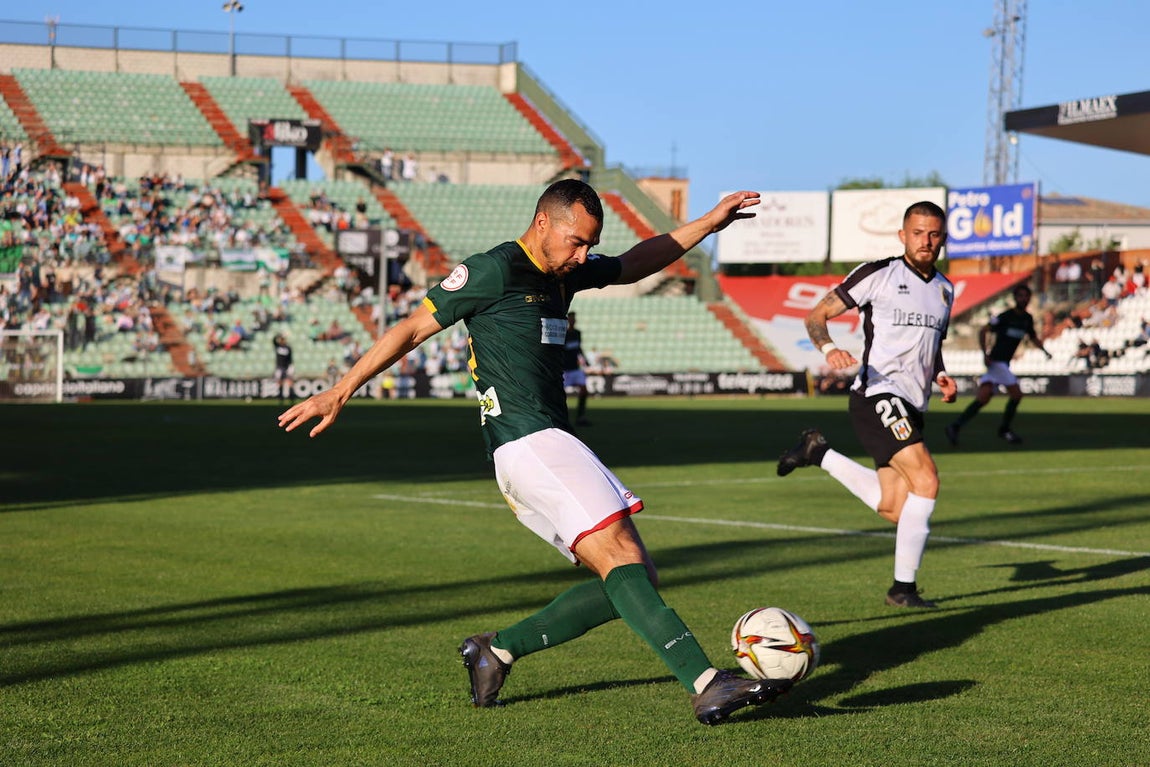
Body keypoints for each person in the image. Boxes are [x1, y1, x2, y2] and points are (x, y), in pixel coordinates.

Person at [277, 179, 790, 725]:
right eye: (575, 241)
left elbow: (636, 263)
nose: (583, 255)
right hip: (529, 440)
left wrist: (710, 221)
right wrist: (342, 388)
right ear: (542, 222)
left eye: (590, 245)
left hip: (538, 446)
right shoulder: (495, 269)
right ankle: (707, 683)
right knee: (622, 559)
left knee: (634, 576)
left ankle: (495, 651)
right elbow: (411, 328)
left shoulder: (562, 273)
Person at [776, 200, 957, 609]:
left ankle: (817, 452)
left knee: (897, 507)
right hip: (878, 393)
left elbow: (933, 346)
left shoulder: (946, 289)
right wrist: (828, 348)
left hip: (913, 403)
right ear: (902, 235)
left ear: (942, 239)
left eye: (933, 234)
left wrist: (940, 374)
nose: (925, 241)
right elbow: (817, 314)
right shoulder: (880, 274)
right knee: (926, 480)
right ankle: (903, 590)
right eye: (917, 233)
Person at [945, 284, 1052, 446]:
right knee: (1016, 395)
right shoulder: (1005, 316)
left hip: (1003, 364)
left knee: (983, 398)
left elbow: (1033, 337)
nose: (1024, 299)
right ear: (1015, 298)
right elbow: (983, 330)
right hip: (996, 362)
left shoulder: (1027, 319)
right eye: (1020, 296)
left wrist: (1044, 350)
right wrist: (985, 353)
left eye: (1026, 296)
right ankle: (1005, 429)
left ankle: (955, 426)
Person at [562, 311, 591, 427]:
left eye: (573, 319)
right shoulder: (563, 334)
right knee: (561, 395)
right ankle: (563, 418)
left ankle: (581, 417)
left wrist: (585, 359)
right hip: (564, 369)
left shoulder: (577, 333)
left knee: (584, 390)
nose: (572, 321)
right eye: (570, 319)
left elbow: (578, 348)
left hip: (575, 368)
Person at [273, 333, 294, 405]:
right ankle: (280, 397)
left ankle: (291, 397)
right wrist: (280, 334)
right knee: (280, 382)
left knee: (289, 382)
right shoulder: (277, 346)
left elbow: (290, 358)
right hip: (279, 367)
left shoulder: (288, 348)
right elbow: (273, 340)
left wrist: (291, 366)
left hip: (286, 367)